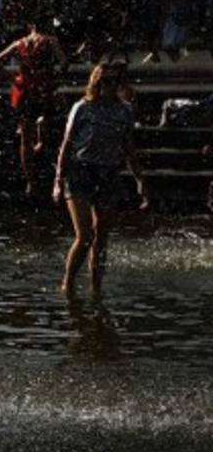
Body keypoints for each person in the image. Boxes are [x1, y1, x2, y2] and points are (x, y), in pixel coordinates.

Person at [52, 64, 151, 299]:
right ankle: (68, 282)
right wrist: (58, 180)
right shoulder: (83, 108)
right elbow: (66, 145)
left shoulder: (125, 110)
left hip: (108, 174)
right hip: (80, 172)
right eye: (105, 81)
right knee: (85, 236)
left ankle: (96, 289)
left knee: (102, 237)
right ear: (96, 82)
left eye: (114, 81)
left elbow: (128, 148)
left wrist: (140, 180)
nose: (110, 86)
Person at [0, 18, 68, 196]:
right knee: (53, 123)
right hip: (44, 90)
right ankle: (42, 141)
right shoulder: (50, 41)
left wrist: (14, 79)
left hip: (25, 91)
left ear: (30, 27)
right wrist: (54, 79)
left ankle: (30, 182)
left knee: (25, 139)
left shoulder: (20, 43)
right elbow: (64, 63)